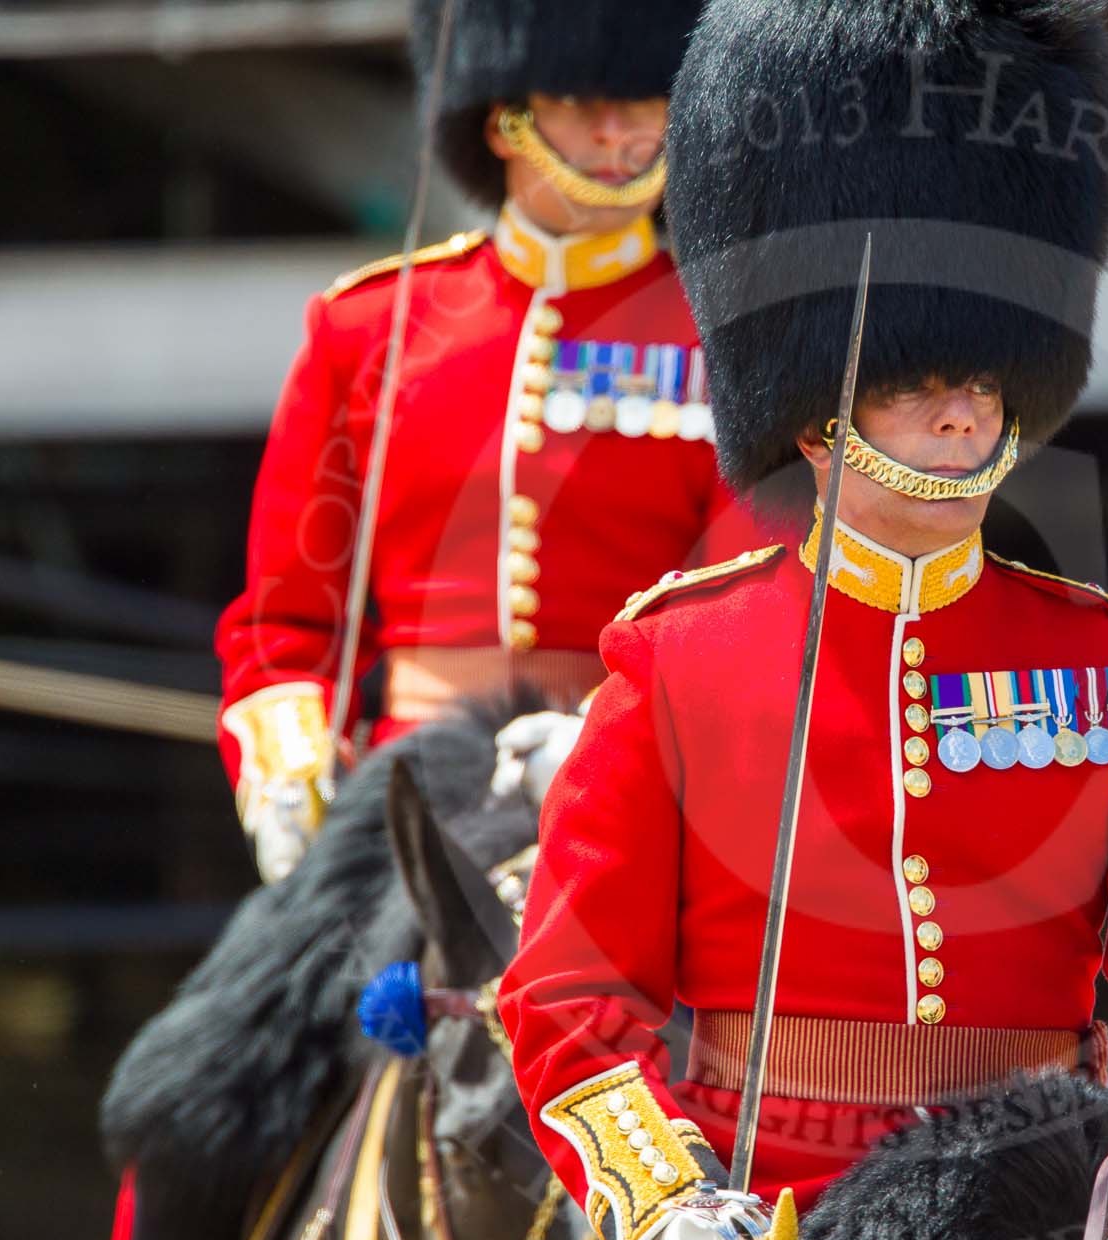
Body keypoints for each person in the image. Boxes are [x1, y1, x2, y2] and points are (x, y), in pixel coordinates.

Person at [496, 3, 1108, 1240]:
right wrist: (669, 1205)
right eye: (921, 381)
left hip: (1049, 1222)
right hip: (773, 1217)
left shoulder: (1104, 659)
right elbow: (573, 992)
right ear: (814, 413)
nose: (966, 412)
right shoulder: (676, 662)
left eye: (983, 377)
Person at [213, 0, 749, 883]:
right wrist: (284, 757)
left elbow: (750, 602)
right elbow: (289, 617)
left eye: (646, 100)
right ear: (505, 117)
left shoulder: (720, 336)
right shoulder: (368, 328)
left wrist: (624, 744)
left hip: (633, 798)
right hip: (402, 804)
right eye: (580, 100)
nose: (617, 132)